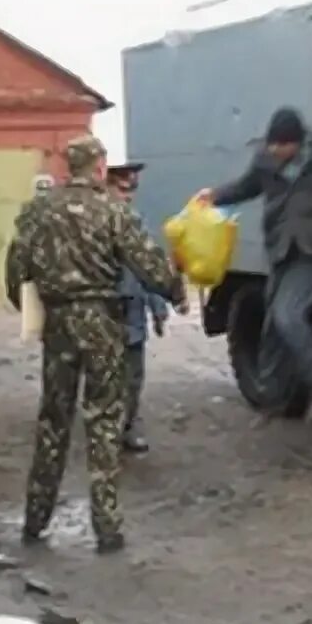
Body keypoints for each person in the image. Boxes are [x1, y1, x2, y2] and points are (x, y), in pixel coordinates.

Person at [6, 135, 186, 553]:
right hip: (104, 321)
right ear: (100, 167)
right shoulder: (113, 211)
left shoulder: (37, 212)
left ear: (70, 167)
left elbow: (16, 271)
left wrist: (34, 310)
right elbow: (149, 268)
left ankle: (35, 520)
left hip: (58, 323)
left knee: (54, 418)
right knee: (104, 419)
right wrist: (174, 288)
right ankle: (107, 527)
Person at [197, 107, 312, 422]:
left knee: (288, 315)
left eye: (281, 146)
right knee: (271, 326)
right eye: (272, 145)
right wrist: (213, 196)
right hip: (281, 248)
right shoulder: (265, 161)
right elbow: (246, 187)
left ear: (296, 143)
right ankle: (271, 397)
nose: (275, 151)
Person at [106, 163, 170, 454]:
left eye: (132, 189)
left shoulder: (137, 222)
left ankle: (128, 426)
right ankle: (107, 431)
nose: (128, 196)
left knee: (133, 378)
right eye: (122, 189)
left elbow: (150, 266)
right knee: (106, 377)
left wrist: (158, 308)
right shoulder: (95, 222)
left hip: (133, 311)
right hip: (104, 311)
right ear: (107, 187)